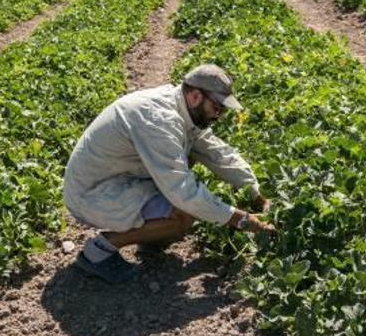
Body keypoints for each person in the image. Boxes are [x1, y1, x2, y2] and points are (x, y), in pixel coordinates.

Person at [63, 64, 274, 283]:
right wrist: (242, 220)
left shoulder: (183, 111)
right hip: (91, 192)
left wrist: (257, 194)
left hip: (121, 178)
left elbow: (218, 154)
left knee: (189, 172)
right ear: (195, 96)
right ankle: (97, 252)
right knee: (183, 214)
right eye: (217, 108)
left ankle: (152, 236)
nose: (220, 115)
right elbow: (183, 192)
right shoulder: (159, 120)